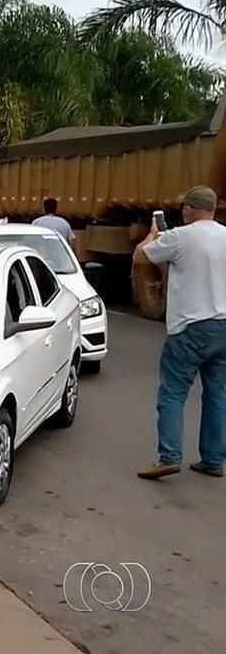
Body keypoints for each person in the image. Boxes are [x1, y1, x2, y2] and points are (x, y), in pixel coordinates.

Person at [132, 186, 226, 479]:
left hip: (189, 328)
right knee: (217, 395)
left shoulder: (180, 237)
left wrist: (152, 233)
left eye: (185, 207)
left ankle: (169, 456)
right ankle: (213, 459)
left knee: (173, 392)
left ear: (190, 208)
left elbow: (140, 257)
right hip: (223, 325)